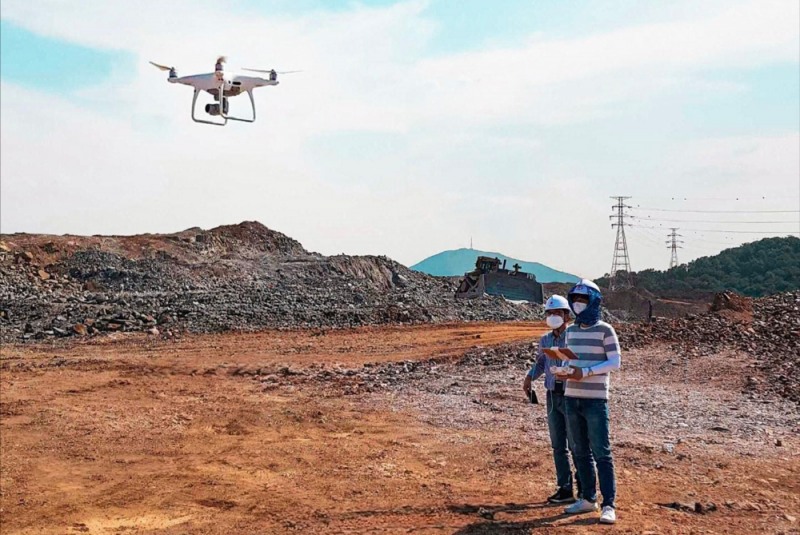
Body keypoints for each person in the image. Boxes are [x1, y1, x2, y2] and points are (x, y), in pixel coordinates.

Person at [560, 279, 620, 525]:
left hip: (595, 400)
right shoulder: (571, 331)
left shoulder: (606, 330)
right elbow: (568, 359)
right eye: (574, 299)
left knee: (602, 453)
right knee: (580, 452)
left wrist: (584, 373)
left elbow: (614, 362)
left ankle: (608, 504)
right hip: (571, 397)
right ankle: (587, 498)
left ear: (594, 301)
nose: (577, 304)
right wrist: (563, 369)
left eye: (583, 299)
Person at [523, 295, 581, 504]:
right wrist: (530, 377)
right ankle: (565, 488)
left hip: (571, 395)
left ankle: (583, 487)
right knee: (558, 445)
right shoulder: (545, 340)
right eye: (549, 313)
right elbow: (541, 362)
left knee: (577, 444)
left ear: (567, 315)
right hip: (552, 394)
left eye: (557, 313)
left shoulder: (575, 336)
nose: (553, 317)